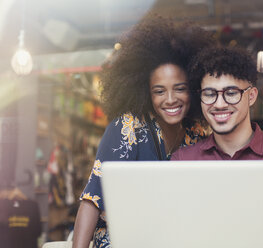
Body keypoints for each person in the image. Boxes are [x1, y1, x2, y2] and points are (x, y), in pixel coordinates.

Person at [72, 16, 215, 248]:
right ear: (146, 93)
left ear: (194, 90)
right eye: (159, 91)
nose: (170, 100)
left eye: (180, 89)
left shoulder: (197, 134)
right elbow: (92, 200)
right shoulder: (127, 129)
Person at [171, 46, 263, 248]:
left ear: (252, 96)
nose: (219, 104)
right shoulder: (183, 160)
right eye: (210, 93)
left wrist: (227, 236)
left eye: (231, 93)